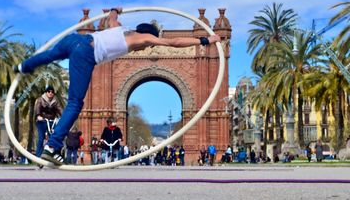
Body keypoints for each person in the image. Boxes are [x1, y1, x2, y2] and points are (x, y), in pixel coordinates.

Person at [14, 8, 221, 165]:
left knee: (50, 55)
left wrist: (114, 10)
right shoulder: (146, 37)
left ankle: (24, 66)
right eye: (151, 43)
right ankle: (52, 146)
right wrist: (205, 40)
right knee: (75, 104)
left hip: (76, 40)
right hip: (85, 55)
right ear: (151, 36)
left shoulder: (118, 29)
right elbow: (174, 42)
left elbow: (111, 17)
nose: (148, 47)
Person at [34, 85, 62, 161]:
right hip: (42, 121)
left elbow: (60, 110)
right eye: (49, 91)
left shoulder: (55, 101)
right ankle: (38, 157)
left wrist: (63, 118)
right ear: (46, 92)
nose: (51, 93)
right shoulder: (41, 100)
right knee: (41, 138)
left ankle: (56, 156)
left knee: (55, 138)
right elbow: (38, 108)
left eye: (52, 92)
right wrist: (38, 116)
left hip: (52, 121)